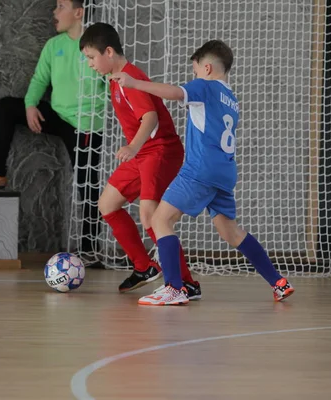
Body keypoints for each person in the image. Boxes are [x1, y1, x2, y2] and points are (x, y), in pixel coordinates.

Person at [111, 39, 294, 306]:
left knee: (159, 220)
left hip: (200, 170)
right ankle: (278, 282)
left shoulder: (205, 87)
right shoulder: (231, 98)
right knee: (230, 232)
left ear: (206, 68)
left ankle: (174, 288)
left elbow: (174, 93)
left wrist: (135, 83)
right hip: (225, 172)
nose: (192, 77)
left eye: (194, 71)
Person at [0, 0, 105, 255]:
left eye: (61, 6)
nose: (54, 12)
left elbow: (111, 87)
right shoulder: (54, 45)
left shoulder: (98, 46)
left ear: (78, 12)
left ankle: (90, 250)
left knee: (88, 184)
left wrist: (93, 122)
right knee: (7, 106)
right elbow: (40, 79)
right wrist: (30, 106)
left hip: (86, 126)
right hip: (58, 115)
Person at [79, 22, 200, 296]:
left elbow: (151, 117)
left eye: (91, 57)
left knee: (150, 215)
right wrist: (136, 149)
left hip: (159, 151)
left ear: (108, 51)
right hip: (143, 152)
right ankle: (144, 266)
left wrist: (132, 147)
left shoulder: (130, 78)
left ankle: (186, 283)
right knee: (107, 204)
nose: (89, 64)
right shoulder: (116, 80)